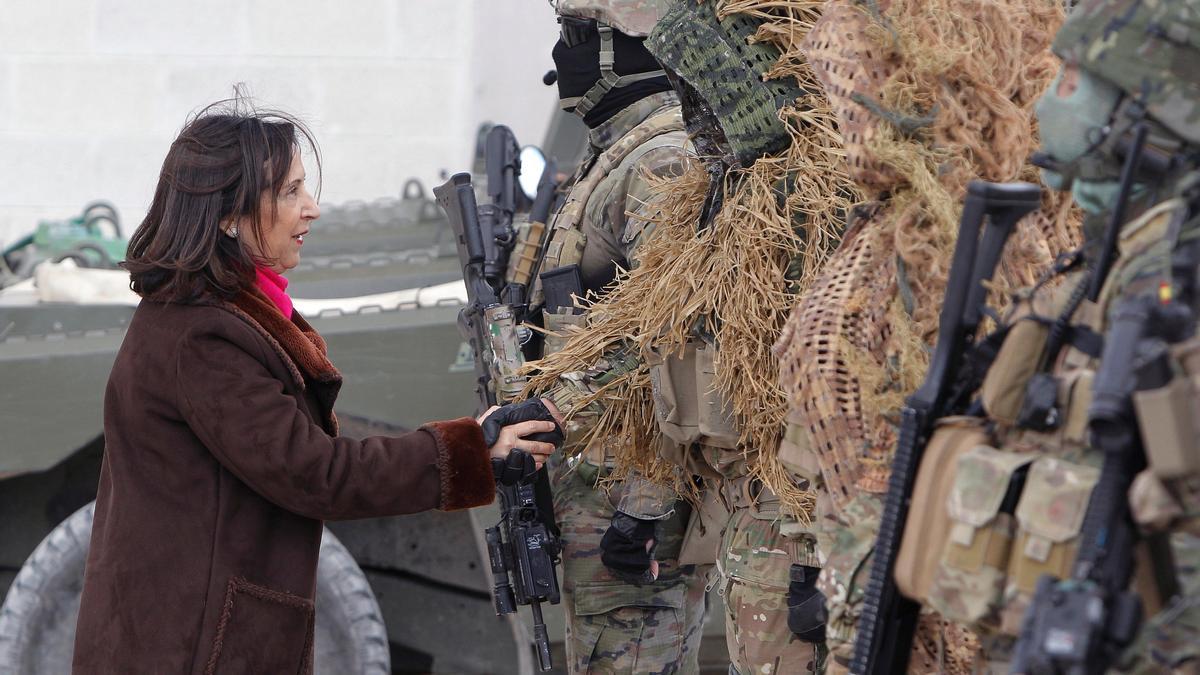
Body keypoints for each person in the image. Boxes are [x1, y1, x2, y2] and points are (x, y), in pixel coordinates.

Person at [71, 100, 560, 674]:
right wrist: (470, 451)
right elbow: (314, 472)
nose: (313, 208)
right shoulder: (202, 337)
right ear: (229, 213)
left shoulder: (209, 314)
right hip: (190, 650)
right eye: (289, 192)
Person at [524, 2, 860, 673]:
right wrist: (557, 415)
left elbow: (845, 398)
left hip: (798, 520)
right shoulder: (729, 198)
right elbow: (666, 341)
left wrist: (822, 552)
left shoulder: (819, 211)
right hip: (750, 515)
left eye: (707, 96)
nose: (695, 120)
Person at [771, 0, 1076, 670]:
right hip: (870, 588)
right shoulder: (889, 228)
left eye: (856, 89)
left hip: (929, 611)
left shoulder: (980, 239)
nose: (846, 120)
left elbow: (985, 472)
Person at [516, 2, 714, 672]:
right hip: (593, 487)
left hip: (626, 504)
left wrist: (644, 506)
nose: (561, 57)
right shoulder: (615, 155)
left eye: (576, 38)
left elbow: (676, 338)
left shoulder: (661, 158)